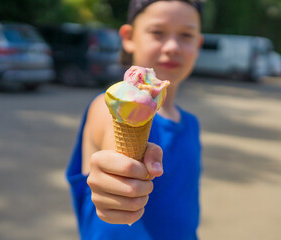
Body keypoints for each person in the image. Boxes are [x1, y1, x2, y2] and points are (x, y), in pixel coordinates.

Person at [66, 0, 204, 239]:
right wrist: (116, 181)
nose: (172, 46)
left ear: (198, 44)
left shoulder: (191, 124)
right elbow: (113, 144)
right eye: (157, 32)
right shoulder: (107, 106)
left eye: (186, 35)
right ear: (128, 37)